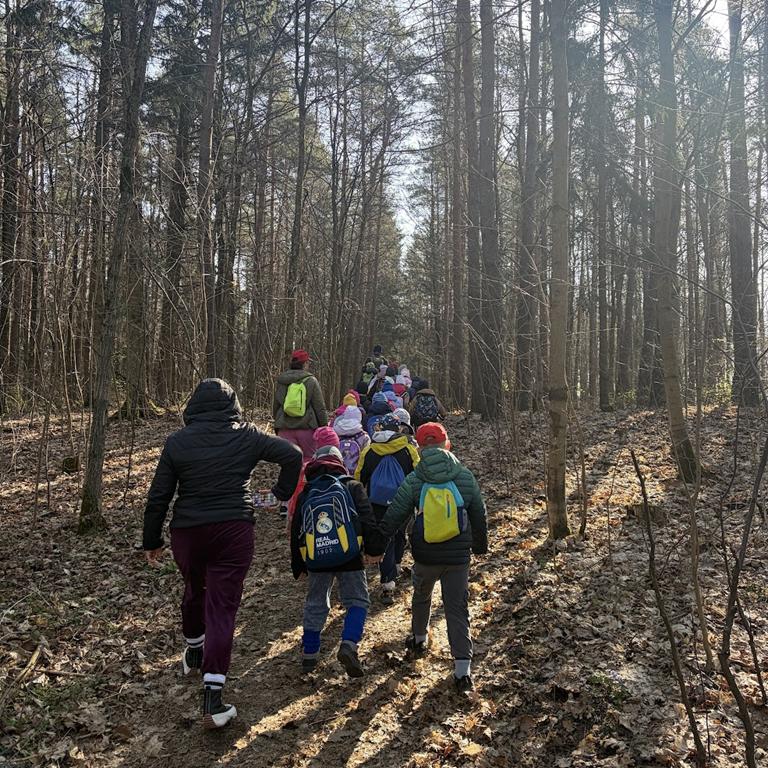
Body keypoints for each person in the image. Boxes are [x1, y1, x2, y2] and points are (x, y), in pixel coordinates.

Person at [143, 379, 302, 728]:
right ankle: (213, 699)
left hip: (188, 532)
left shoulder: (177, 442)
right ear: (233, 406)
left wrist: (151, 540)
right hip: (233, 529)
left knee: (193, 590)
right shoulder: (247, 435)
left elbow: (159, 496)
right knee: (222, 607)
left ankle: (194, 650)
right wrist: (280, 493)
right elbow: (292, 455)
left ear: (193, 406)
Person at [370, 422, 487, 694]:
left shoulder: (415, 479)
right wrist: (480, 547)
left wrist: (377, 546)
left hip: (425, 555)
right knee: (457, 607)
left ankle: (419, 639)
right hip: (458, 557)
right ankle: (462, 671)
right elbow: (479, 514)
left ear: (419, 449)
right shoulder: (464, 476)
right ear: (448, 444)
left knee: (421, 596)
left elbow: (394, 516)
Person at [291, 445, 380, 677]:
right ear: (339, 462)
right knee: (357, 600)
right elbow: (367, 520)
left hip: (316, 557)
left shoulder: (307, 492)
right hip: (350, 554)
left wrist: (298, 565)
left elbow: (297, 530)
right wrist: (374, 550)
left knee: (316, 602)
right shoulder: (352, 486)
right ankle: (349, 644)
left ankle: (309, 654)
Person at [355, 414, 420, 605]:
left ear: (380, 428)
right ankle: (396, 565)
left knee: (385, 537)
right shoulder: (408, 449)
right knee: (399, 533)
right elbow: (418, 474)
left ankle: (387, 582)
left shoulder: (370, 450)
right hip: (403, 501)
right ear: (398, 429)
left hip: (377, 503)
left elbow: (359, 477)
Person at [273, 349, 329, 463]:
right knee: (308, 461)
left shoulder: (282, 380)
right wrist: (324, 427)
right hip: (307, 428)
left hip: (284, 428)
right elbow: (319, 407)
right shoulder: (311, 381)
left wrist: (277, 421)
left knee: (287, 463)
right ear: (305, 364)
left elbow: (276, 405)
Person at [333, 405, 371, 475]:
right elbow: (367, 457)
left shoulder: (335, 432)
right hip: (356, 474)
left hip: (339, 473)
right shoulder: (364, 436)